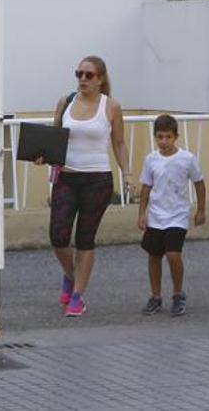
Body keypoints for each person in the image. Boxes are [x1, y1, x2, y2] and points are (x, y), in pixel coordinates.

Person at [44, 55, 130, 317]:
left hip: (97, 179)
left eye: (88, 75)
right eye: (79, 74)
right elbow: (54, 138)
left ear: (100, 79)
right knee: (58, 236)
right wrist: (43, 155)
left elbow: (118, 143)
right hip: (67, 177)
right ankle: (71, 275)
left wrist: (127, 174)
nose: (82, 79)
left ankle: (78, 295)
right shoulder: (65, 102)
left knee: (85, 238)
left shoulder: (111, 106)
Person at [136, 114, 205, 317]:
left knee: (173, 254)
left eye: (168, 137)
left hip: (178, 214)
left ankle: (178, 293)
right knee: (154, 255)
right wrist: (142, 213)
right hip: (156, 215)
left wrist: (201, 209)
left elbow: (199, 182)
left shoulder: (187, 159)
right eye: (160, 137)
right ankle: (156, 296)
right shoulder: (151, 160)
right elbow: (146, 187)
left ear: (176, 137)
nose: (164, 141)